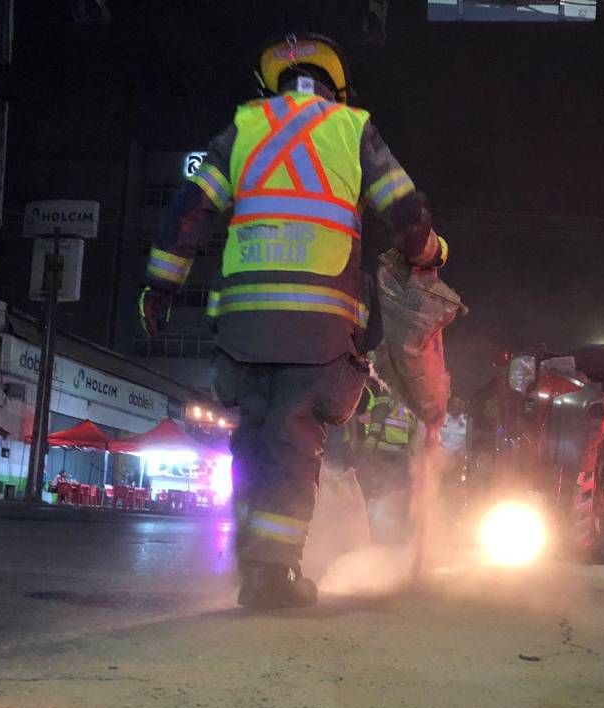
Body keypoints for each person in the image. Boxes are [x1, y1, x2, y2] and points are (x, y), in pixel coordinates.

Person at [139, 33, 447, 609]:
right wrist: (428, 254)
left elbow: (189, 211)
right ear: (337, 84)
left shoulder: (243, 130)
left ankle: (254, 564)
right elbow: (404, 211)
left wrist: (160, 286)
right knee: (293, 443)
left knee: (254, 444)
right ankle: (272, 577)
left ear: (268, 84)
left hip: (243, 329)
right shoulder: (353, 129)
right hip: (318, 331)